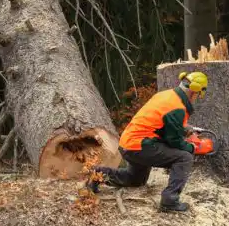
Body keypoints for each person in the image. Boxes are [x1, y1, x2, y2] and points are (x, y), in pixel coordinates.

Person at [86, 71, 208, 212]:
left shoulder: (167, 95)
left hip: (129, 144)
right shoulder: (177, 107)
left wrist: (184, 128)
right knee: (184, 157)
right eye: (198, 95)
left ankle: (98, 174)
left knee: (136, 179)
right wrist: (193, 148)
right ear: (194, 92)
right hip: (141, 145)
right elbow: (173, 141)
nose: (196, 98)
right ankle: (169, 201)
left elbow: (161, 123)